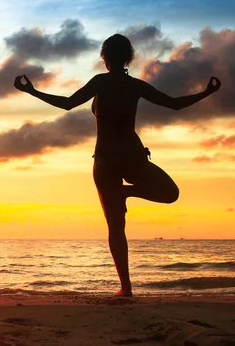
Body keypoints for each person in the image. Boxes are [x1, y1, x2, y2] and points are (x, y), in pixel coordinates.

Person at [14, 34, 221, 297]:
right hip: (132, 155)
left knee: (116, 226)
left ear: (104, 57)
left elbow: (67, 104)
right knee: (170, 194)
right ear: (129, 57)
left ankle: (126, 287)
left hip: (107, 159)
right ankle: (125, 282)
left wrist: (32, 91)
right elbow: (174, 104)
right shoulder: (135, 85)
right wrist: (206, 92)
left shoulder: (101, 82)